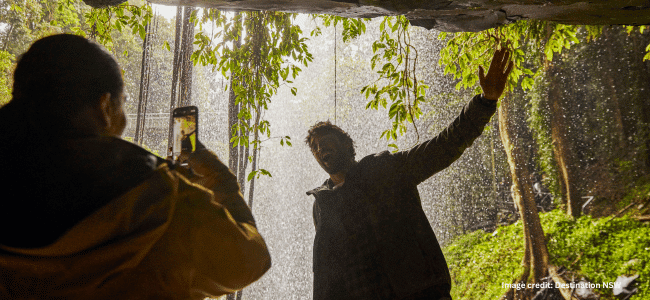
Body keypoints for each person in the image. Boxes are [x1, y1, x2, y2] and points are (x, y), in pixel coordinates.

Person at [0, 34, 270, 299]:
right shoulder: (165, 201)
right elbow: (247, 263)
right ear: (104, 107)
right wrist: (221, 182)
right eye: (124, 102)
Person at [305, 48, 513, 300]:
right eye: (314, 147)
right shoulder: (322, 205)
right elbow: (328, 271)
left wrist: (486, 101)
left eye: (325, 141)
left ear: (347, 145)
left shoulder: (385, 170)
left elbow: (442, 147)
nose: (320, 149)